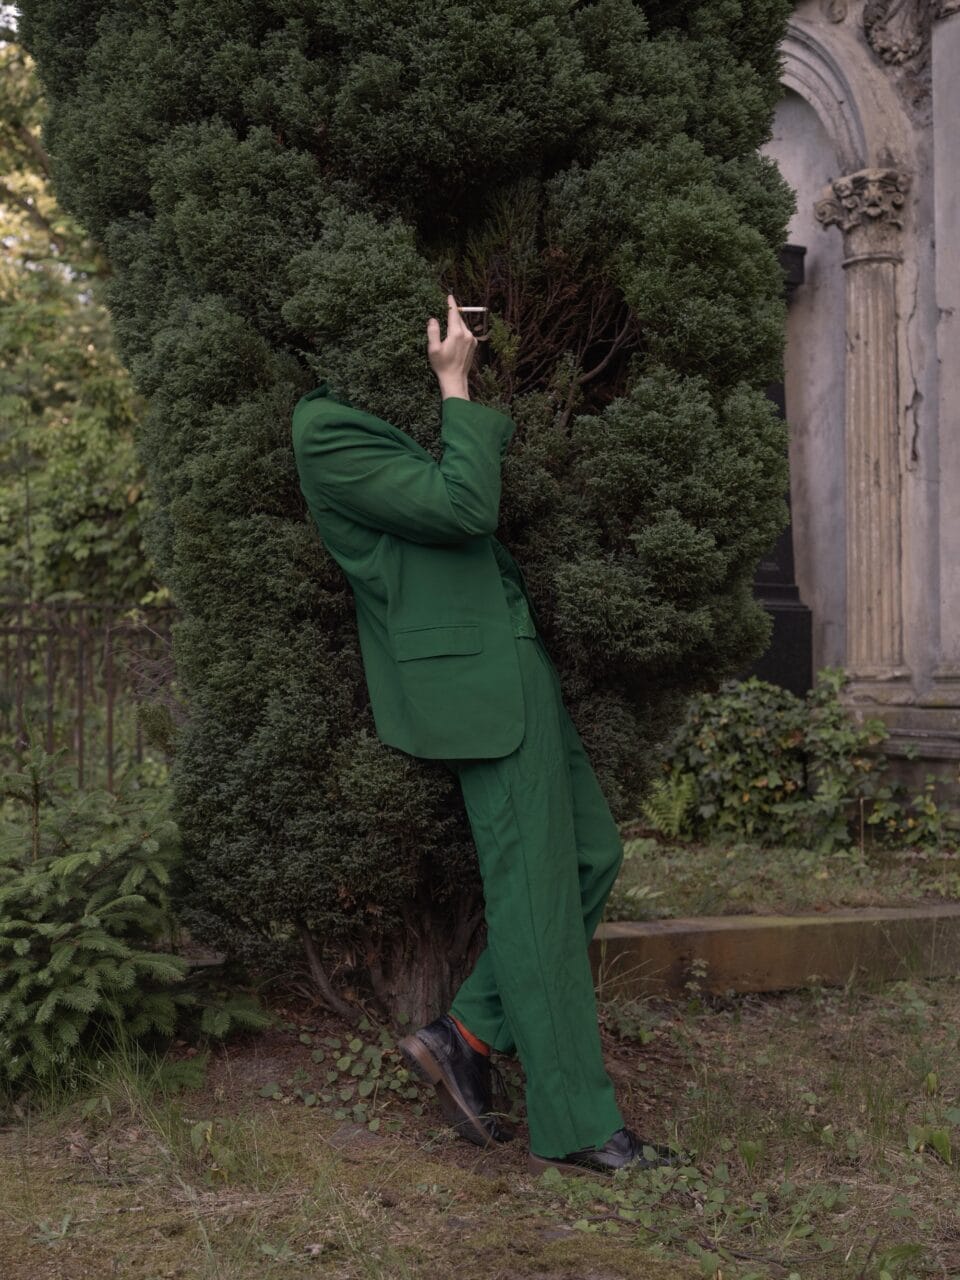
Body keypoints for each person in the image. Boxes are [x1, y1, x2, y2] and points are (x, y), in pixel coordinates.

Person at [291, 294, 687, 1176]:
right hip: (475, 682)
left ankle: (466, 1033)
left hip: (506, 664)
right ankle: (578, 1124)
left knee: (588, 855)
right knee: (537, 897)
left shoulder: (363, 419)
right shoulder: (326, 430)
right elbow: (464, 505)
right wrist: (455, 385)